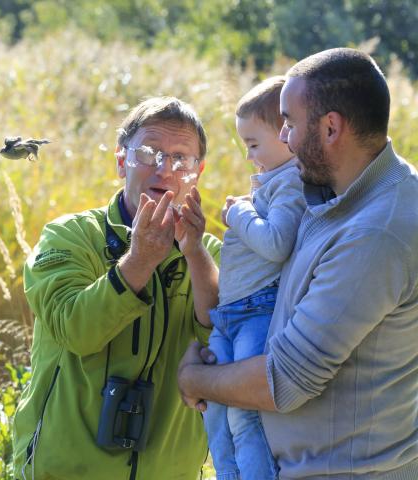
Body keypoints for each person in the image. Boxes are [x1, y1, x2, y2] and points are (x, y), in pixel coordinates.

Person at [178, 47, 418, 479]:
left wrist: (195, 380)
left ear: (330, 128)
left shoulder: (376, 232)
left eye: (289, 122)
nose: (284, 138)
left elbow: (285, 381)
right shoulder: (335, 195)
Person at [12, 96, 221, 479]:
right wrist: (139, 260)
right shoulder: (69, 236)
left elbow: (225, 352)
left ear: (199, 171)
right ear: (121, 160)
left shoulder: (208, 257)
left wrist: (193, 256)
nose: (165, 169)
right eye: (149, 152)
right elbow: (76, 330)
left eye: (181, 158)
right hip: (67, 470)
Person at [202, 76, 305, 480]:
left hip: (257, 311)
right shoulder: (272, 183)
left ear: (285, 133)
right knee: (214, 409)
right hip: (231, 315)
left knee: (244, 415)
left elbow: (277, 242)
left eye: (253, 145)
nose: (249, 157)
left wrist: (238, 214)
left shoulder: (291, 183)